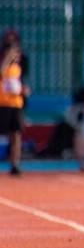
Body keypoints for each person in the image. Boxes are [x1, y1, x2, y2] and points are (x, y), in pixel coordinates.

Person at [0, 29, 29, 175]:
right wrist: (6, 59)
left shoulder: (17, 68)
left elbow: (18, 84)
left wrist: (23, 90)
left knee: (16, 134)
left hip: (16, 105)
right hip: (2, 104)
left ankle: (15, 164)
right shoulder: (3, 66)